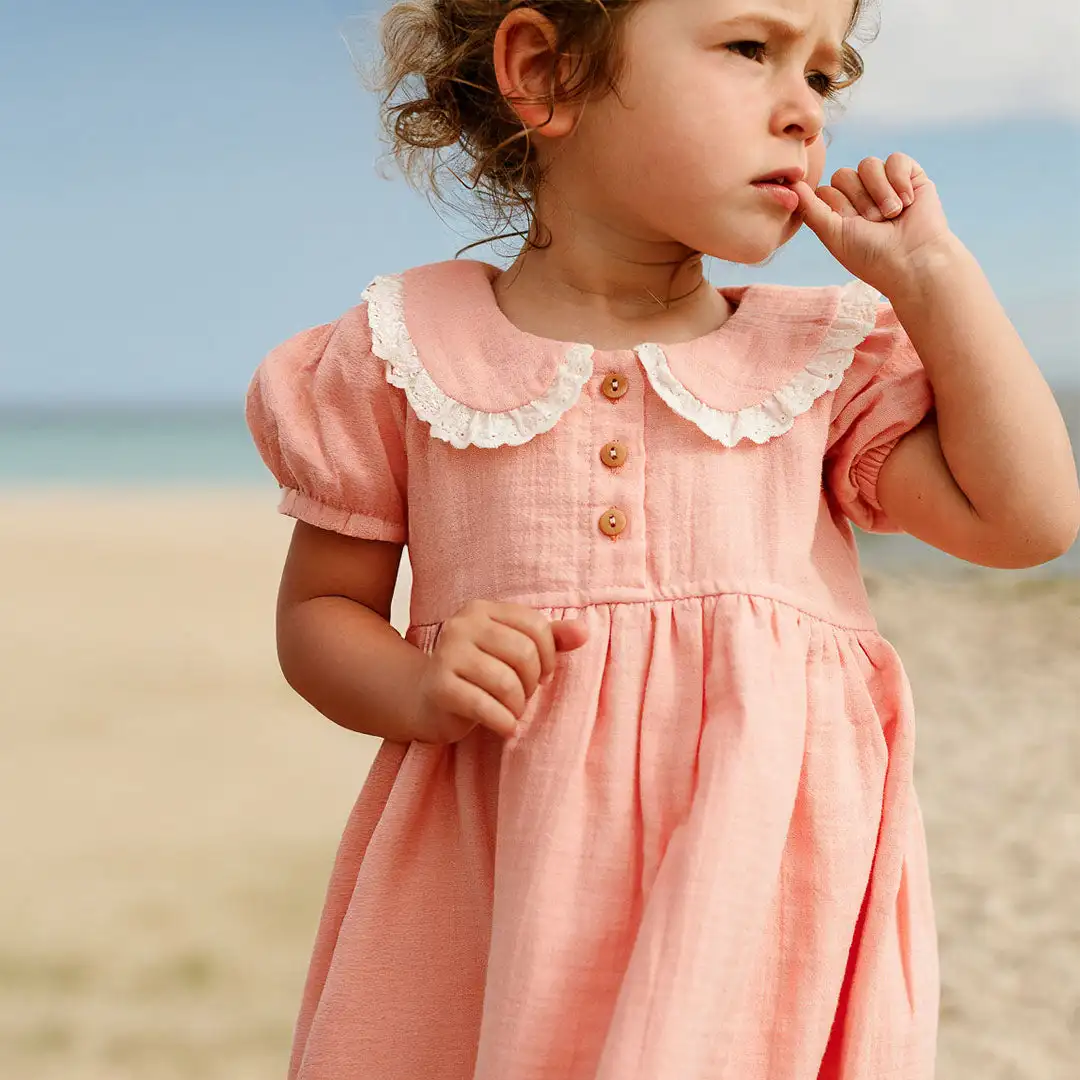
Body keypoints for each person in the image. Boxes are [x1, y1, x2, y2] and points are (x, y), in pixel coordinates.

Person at [245, 1, 1080, 1077]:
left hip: (759, 908)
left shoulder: (813, 365)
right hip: (504, 897)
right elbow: (321, 615)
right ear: (546, 71)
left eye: (823, 77)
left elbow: (1027, 521)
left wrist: (935, 281)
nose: (804, 113)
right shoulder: (407, 353)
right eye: (751, 49)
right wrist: (412, 684)